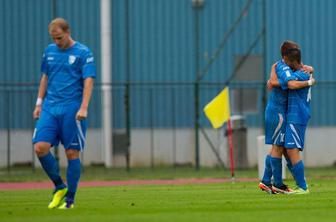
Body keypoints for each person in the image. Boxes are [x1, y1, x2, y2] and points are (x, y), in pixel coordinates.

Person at [32, 17, 96, 209]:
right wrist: (38, 103)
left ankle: (70, 200)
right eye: (53, 38)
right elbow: (45, 77)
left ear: (68, 32)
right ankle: (60, 186)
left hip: (72, 109)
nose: (56, 42)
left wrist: (84, 106)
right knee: (40, 147)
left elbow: (89, 80)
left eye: (59, 38)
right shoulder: (49, 51)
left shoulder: (83, 53)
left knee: (71, 153)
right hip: (50, 108)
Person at [259, 41, 314, 194]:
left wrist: (309, 72)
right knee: (279, 147)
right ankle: (277, 184)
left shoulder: (284, 67)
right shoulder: (282, 67)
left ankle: (267, 181)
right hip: (279, 113)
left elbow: (278, 81)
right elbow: (289, 83)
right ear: (286, 58)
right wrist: (309, 78)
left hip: (285, 113)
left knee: (280, 147)